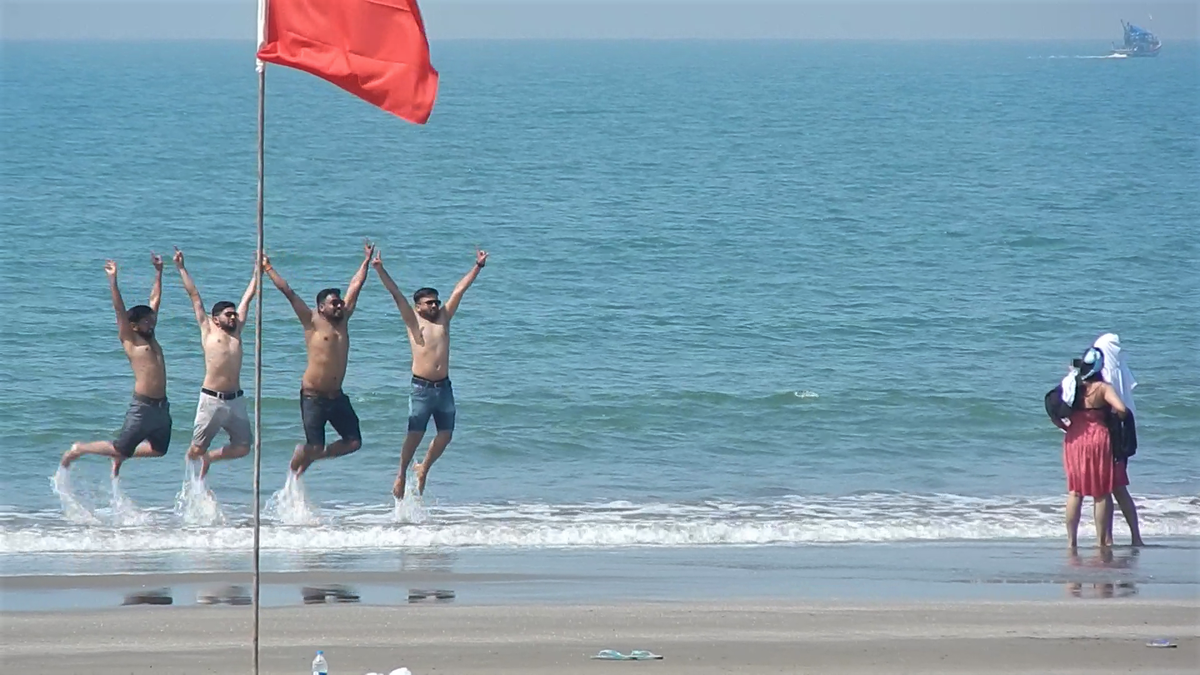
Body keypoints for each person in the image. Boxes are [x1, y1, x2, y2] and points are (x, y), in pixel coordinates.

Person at [372, 247, 488, 498]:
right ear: (418, 307)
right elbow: (396, 294)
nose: (435, 305)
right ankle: (402, 472)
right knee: (415, 434)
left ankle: (423, 467)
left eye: (436, 301)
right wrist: (380, 269)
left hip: (444, 387)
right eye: (429, 302)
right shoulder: (414, 321)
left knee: (445, 435)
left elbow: (460, 290)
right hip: (422, 388)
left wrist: (477, 267)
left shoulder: (444, 318)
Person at [263, 241, 375, 476]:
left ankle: (316, 456)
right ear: (321, 307)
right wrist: (268, 269)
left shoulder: (343, 319)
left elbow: (355, 286)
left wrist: (365, 262)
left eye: (339, 302)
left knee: (353, 442)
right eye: (334, 303)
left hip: (337, 396)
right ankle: (302, 459)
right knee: (313, 445)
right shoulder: (311, 320)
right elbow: (289, 293)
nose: (339, 305)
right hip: (313, 396)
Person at [61, 254, 170, 476]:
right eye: (146, 321)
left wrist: (159, 272)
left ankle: (121, 456)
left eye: (152, 320)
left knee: (159, 449)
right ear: (134, 325)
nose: (151, 323)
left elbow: (155, 299)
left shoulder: (151, 337)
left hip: (162, 407)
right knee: (120, 446)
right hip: (143, 407)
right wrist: (113, 281)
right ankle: (80, 448)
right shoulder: (131, 340)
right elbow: (119, 310)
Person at [174, 247, 258, 478]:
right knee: (197, 447)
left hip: (236, 401)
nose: (233, 317)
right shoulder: (208, 329)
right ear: (216, 318)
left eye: (234, 314)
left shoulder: (237, 332)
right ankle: (189, 477)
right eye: (228, 314)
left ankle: (209, 460)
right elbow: (194, 297)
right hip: (211, 399)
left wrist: (257, 271)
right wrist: (181, 268)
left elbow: (248, 298)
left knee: (243, 447)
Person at [1053, 347, 1128, 549]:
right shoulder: (1103, 388)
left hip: (1075, 439)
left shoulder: (1072, 384)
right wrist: (1117, 418)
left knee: (1075, 491)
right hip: (1097, 440)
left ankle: (1071, 542)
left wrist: (1064, 426)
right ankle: (1101, 542)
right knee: (1101, 492)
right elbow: (1121, 409)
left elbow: (1055, 409)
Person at [1092, 333, 1144, 547]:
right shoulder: (1121, 371)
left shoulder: (1105, 377)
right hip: (1122, 435)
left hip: (1110, 435)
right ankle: (1133, 537)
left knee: (1109, 488)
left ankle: (1108, 538)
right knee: (1117, 487)